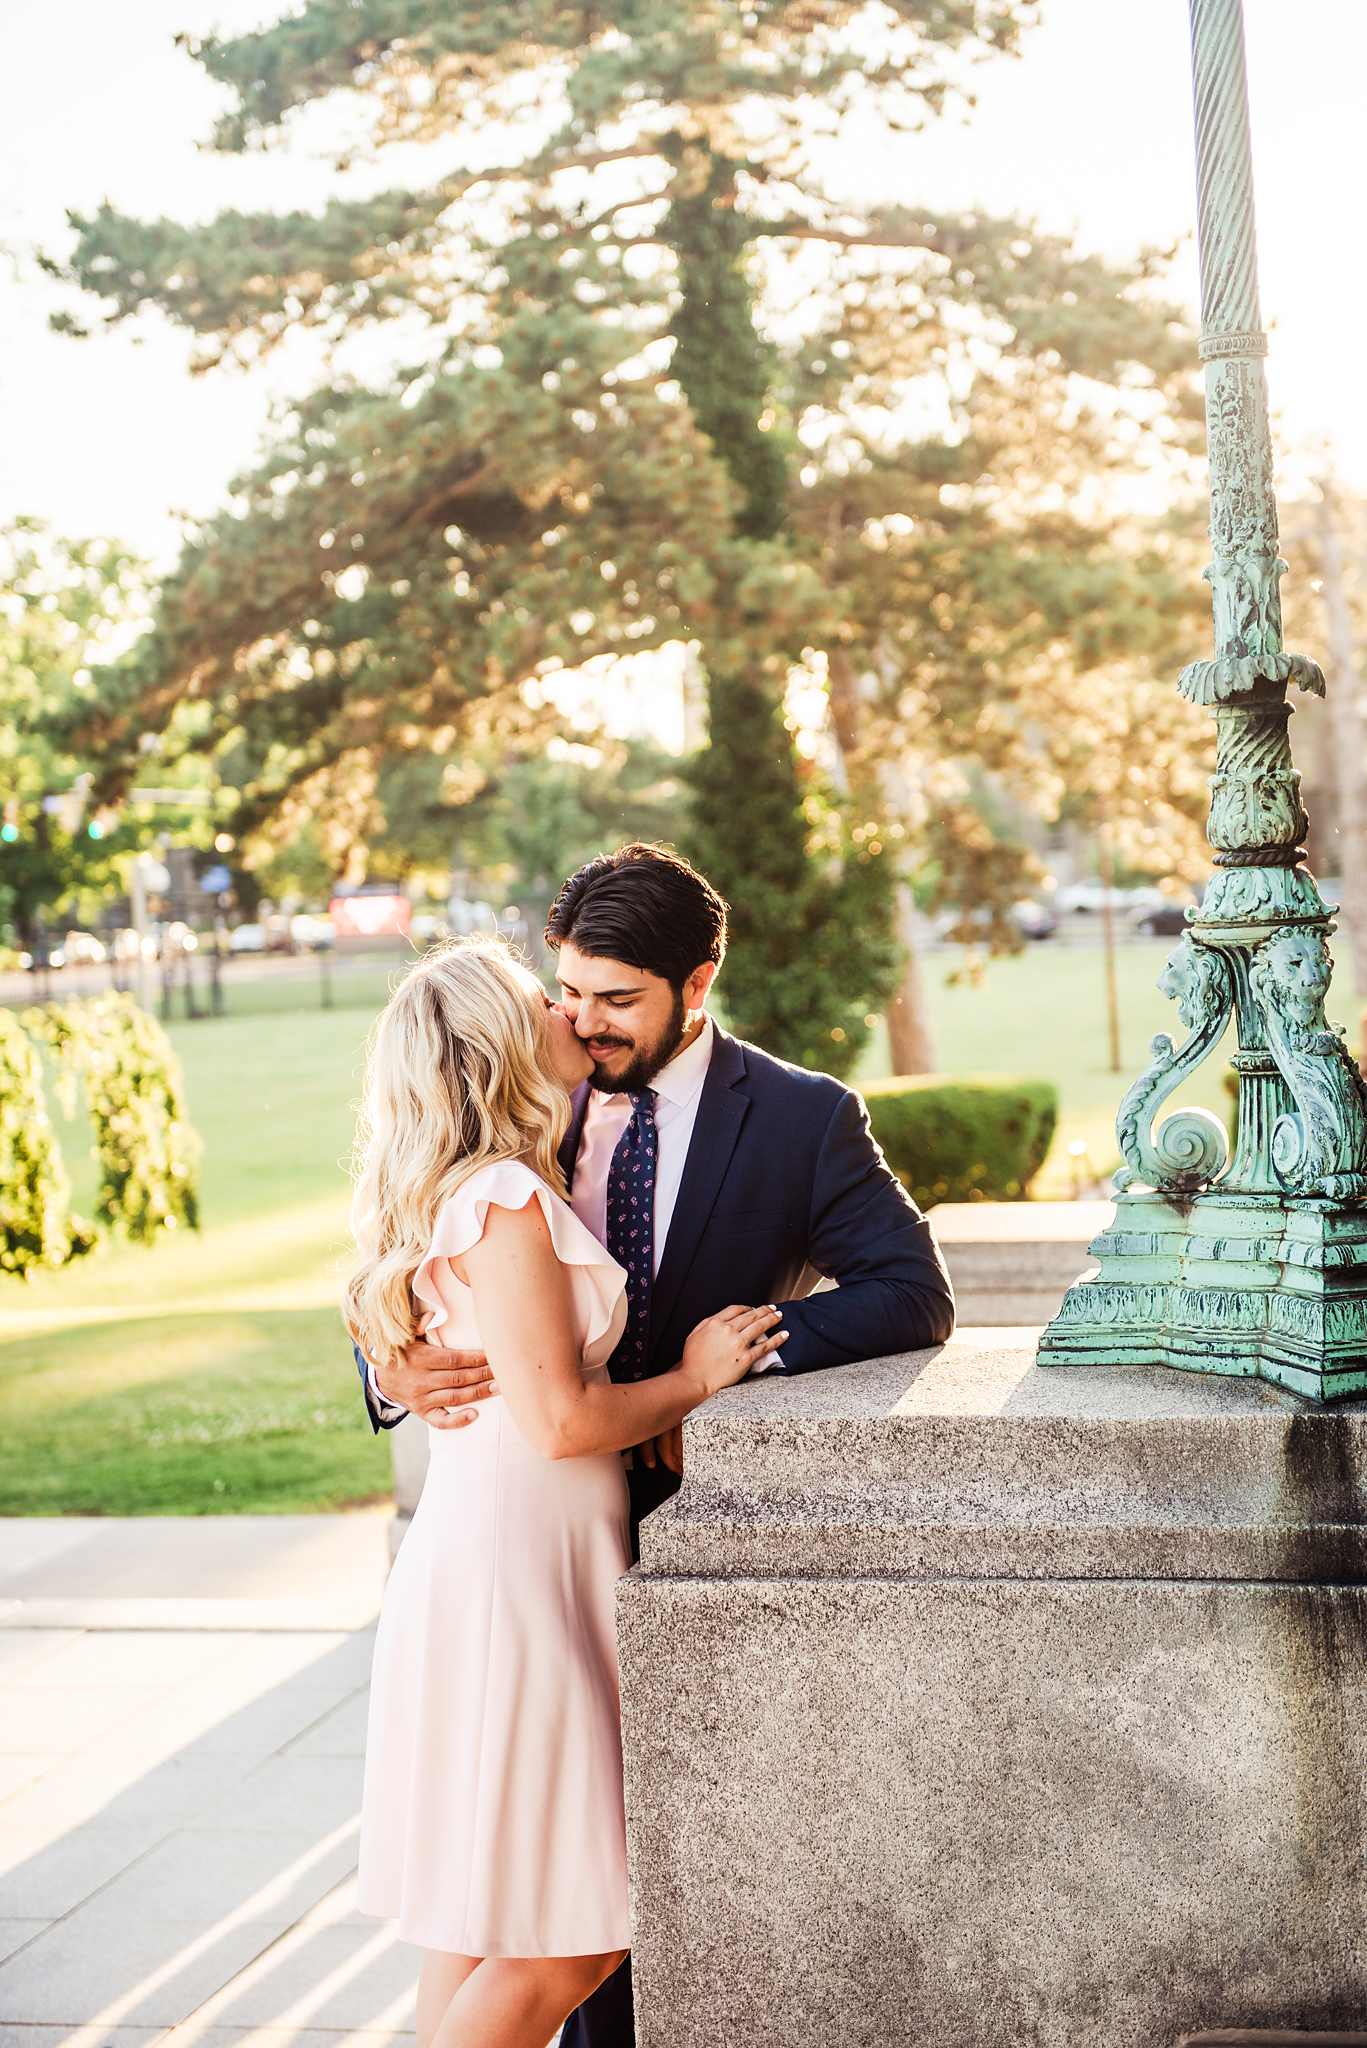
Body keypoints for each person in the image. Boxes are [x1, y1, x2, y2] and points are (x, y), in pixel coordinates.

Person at [357, 843, 956, 2048]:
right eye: (566, 990)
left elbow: (909, 1291)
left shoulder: (799, 1116)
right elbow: (416, 1258)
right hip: (528, 1551)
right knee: (552, 1919)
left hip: (675, 1548)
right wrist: (388, 1364)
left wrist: (715, 1376)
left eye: (615, 998)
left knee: (582, 1906)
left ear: (700, 978)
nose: (583, 1023)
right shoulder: (518, 1092)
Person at [346, 937, 787, 2048]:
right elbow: (558, 1423)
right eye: (542, 1000)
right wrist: (694, 1375)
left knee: (481, 1914)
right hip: (518, 1579)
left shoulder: (463, 1189)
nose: (567, 1015)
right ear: (500, 1042)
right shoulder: (498, 1198)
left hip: (504, 1560)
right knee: (578, 1932)